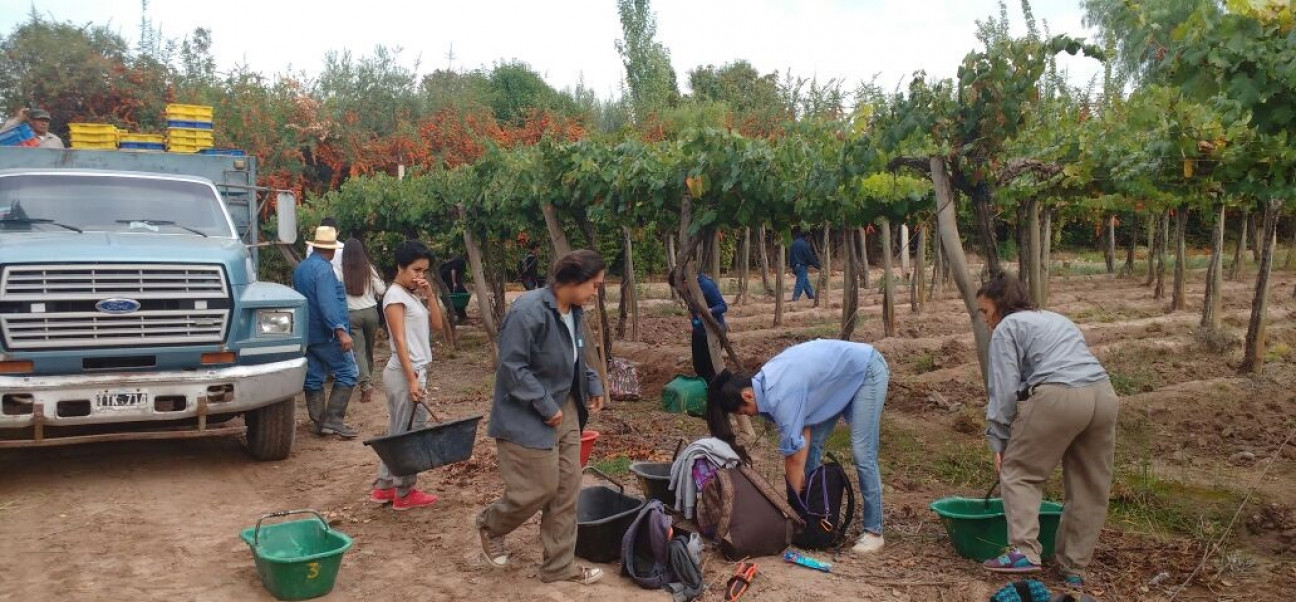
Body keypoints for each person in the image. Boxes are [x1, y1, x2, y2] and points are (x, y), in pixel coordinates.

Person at [977, 274, 1117, 588]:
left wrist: (999, 440)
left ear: (1000, 306)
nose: (987, 322)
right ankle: (1074, 568)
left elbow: (1003, 390)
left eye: (985, 312)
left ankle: (1024, 551)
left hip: (1059, 395)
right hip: (1103, 395)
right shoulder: (1055, 319)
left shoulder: (1007, 328)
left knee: (1019, 471)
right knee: (1089, 486)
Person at [477, 250, 607, 586]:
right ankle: (492, 524)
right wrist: (545, 405)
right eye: (594, 284)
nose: (597, 291)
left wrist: (591, 382)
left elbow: (577, 353)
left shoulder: (574, 311)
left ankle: (558, 567)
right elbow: (512, 367)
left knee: (566, 490)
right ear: (574, 281)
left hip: (567, 410)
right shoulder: (528, 311)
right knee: (538, 488)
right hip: (527, 413)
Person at [706, 339, 889, 555]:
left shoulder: (780, 394)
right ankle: (813, 516)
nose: (751, 415)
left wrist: (791, 509)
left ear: (747, 395)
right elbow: (804, 432)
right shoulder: (765, 385)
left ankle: (874, 531)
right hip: (835, 382)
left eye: (746, 412)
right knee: (811, 449)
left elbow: (793, 458)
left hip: (865, 370)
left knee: (862, 452)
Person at [370, 240, 445, 511]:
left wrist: (430, 296)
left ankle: (384, 487)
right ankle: (404, 492)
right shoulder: (394, 297)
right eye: (415, 269)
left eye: (424, 271)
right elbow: (399, 341)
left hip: (412, 371)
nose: (419, 276)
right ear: (400, 267)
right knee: (409, 435)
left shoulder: (411, 294)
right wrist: (413, 379)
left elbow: (436, 326)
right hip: (405, 372)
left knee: (399, 432)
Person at [292, 226, 360, 439]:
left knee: (313, 377)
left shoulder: (301, 268)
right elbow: (327, 303)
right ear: (331, 250)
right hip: (326, 334)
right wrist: (340, 331)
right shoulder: (324, 270)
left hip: (307, 332)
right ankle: (333, 420)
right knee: (348, 372)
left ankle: (319, 421)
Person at [341, 238, 388, 405]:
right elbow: (382, 290)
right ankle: (368, 379)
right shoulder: (369, 269)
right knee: (369, 349)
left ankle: (365, 384)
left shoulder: (340, 270)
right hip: (371, 313)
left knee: (358, 351)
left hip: (352, 314)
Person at [667, 270, 728, 382]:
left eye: (678, 286)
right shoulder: (687, 289)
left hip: (713, 331)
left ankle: (713, 393)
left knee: (711, 367)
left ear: (685, 281)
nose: (679, 290)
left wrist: (708, 311)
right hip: (699, 331)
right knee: (699, 366)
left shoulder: (706, 285)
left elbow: (723, 306)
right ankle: (702, 388)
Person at [789, 228, 820, 301]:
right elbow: (809, 257)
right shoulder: (804, 245)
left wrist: (792, 266)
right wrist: (818, 265)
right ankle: (795, 298)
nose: (809, 238)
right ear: (806, 236)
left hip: (795, 265)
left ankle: (811, 295)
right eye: (809, 236)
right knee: (800, 282)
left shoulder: (794, 243)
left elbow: (790, 256)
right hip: (801, 266)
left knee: (805, 281)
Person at [439, 254, 469, 320]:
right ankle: (458, 313)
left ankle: (461, 313)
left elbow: (459, 275)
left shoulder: (460, 260)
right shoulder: (461, 261)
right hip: (447, 276)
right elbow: (453, 270)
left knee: (461, 292)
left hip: (447, 275)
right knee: (459, 293)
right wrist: (454, 282)